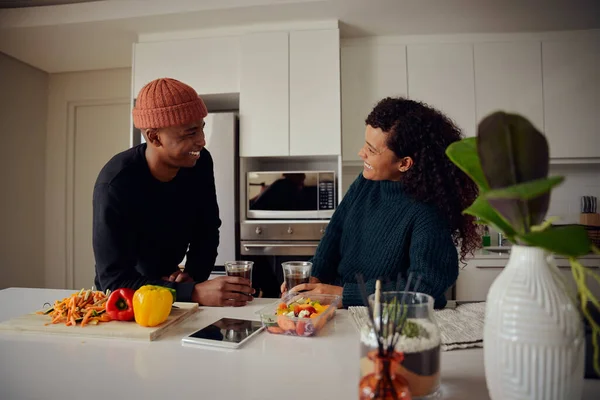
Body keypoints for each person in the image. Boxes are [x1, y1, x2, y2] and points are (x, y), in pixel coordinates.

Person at [282, 97, 479, 309]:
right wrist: (315, 276)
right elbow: (335, 233)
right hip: (343, 311)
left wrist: (345, 295)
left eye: (372, 150)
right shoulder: (367, 182)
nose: (361, 153)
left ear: (404, 163)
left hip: (394, 320)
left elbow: (425, 285)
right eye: (365, 144)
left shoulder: (427, 210)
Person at [93, 77, 254, 307]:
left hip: (172, 290)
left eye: (201, 128)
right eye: (190, 133)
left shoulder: (200, 162)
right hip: (124, 304)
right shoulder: (115, 184)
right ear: (154, 137)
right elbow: (113, 281)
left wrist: (193, 277)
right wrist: (192, 293)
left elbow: (207, 230)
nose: (202, 141)